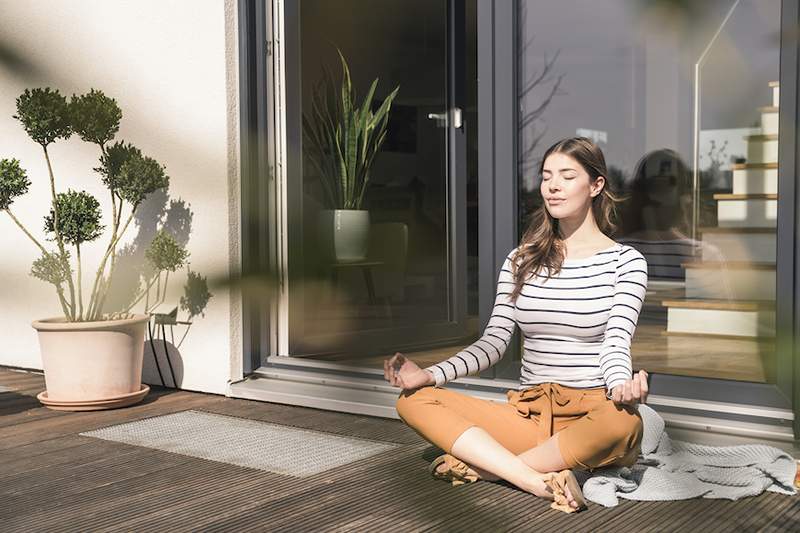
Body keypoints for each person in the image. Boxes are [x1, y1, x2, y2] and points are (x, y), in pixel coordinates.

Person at [385, 137, 650, 514]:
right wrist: (430, 375)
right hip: (529, 412)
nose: (552, 186)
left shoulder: (626, 262)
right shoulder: (520, 260)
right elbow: (493, 343)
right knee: (414, 401)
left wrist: (621, 385)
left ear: (596, 185)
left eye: (567, 176)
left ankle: (491, 467)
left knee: (624, 424)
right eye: (546, 177)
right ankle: (533, 478)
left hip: (591, 411)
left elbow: (616, 343)